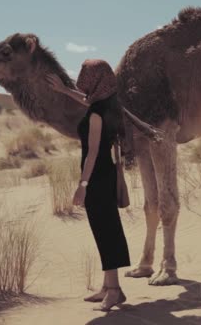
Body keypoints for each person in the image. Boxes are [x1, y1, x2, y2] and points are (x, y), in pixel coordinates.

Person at [46, 59, 131, 312]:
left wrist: (82, 185)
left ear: (95, 81)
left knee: (105, 231)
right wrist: (64, 91)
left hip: (95, 176)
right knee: (107, 228)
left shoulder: (96, 114)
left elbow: (92, 153)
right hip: (105, 174)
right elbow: (87, 101)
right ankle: (108, 286)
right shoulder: (109, 106)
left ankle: (114, 290)